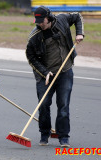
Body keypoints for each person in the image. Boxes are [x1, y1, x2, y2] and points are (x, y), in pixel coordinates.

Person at [26, 6, 84, 147]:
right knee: (44, 105)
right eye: (37, 21)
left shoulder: (62, 20)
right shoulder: (35, 36)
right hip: (45, 75)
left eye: (42, 21)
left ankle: (63, 137)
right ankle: (44, 134)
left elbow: (77, 16)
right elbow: (30, 56)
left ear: (49, 18)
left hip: (65, 71)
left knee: (63, 105)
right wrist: (45, 72)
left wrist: (79, 33)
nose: (40, 24)